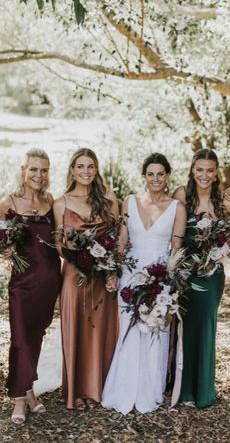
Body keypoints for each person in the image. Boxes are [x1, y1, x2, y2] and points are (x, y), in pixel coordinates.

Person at [101, 153, 186, 414]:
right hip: (130, 275)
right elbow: (123, 240)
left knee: (154, 332)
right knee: (129, 332)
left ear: (168, 176)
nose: (156, 179)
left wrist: (170, 286)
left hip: (160, 279)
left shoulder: (177, 207)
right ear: (144, 176)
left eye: (161, 174)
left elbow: (176, 249)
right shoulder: (130, 201)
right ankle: (123, 389)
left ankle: (150, 391)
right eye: (151, 174)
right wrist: (113, 271)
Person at [53, 148, 119, 410]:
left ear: (96, 168)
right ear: (72, 170)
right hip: (74, 274)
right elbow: (58, 243)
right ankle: (76, 391)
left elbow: (116, 239)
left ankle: (99, 388)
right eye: (80, 166)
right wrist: (77, 261)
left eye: (90, 166)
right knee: (76, 328)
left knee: (101, 330)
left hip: (102, 276)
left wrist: (111, 269)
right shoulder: (61, 203)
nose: (86, 171)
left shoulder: (108, 199)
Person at [0, 148, 62, 424]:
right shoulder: (8, 202)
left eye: (44, 170)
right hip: (22, 284)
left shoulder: (51, 201)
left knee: (35, 337)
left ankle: (30, 392)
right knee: (20, 339)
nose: (39, 175)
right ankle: (19, 400)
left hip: (50, 280)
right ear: (24, 169)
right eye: (34, 169)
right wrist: (5, 250)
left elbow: (60, 241)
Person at [173, 148, 230, 408]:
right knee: (185, 327)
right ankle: (185, 390)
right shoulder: (181, 195)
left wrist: (222, 250)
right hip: (186, 270)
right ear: (192, 170)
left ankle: (204, 390)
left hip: (212, 274)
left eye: (210, 170)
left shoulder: (226, 200)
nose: (204, 175)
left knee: (206, 325)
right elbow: (174, 234)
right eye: (199, 169)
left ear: (216, 172)